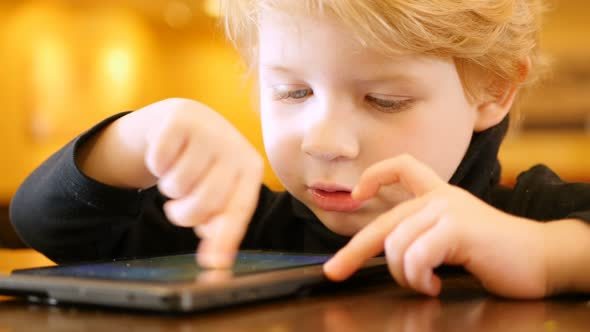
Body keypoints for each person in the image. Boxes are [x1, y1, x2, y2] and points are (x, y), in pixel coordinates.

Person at [10, 0, 590, 298]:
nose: (324, 141)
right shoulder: (242, 237)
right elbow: (46, 224)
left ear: (492, 91)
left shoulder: (531, 216)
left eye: (384, 100)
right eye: (292, 91)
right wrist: (137, 138)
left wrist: (541, 255)